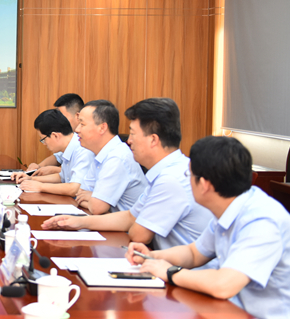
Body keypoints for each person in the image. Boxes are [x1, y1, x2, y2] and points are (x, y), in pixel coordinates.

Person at [127, 136, 290, 319]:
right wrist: (152, 257)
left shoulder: (262, 221)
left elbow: (224, 285)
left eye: (189, 174)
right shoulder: (228, 207)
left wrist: (170, 272)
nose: (187, 180)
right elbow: (194, 253)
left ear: (204, 184)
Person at [43, 98, 214, 251]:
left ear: (153, 140)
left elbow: (138, 234)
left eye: (132, 134)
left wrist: (129, 222)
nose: (129, 141)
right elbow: (130, 216)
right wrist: (76, 222)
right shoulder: (166, 172)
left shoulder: (171, 179)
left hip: (184, 270)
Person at [74, 99, 147, 214]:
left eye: (82, 124)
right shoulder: (100, 154)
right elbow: (79, 195)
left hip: (127, 225)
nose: (77, 129)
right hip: (110, 220)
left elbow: (97, 208)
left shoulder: (117, 157)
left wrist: (94, 199)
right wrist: (93, 199)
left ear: (102, 128)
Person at [17, 109, 95, 197]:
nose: (44, 144)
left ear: (55, 135)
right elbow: (61, 177)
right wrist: (31, 178)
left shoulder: (83, 150)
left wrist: (41, 186)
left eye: (43, 139)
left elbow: (75, 189)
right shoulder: (68, 148)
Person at [13, 93, 84, 182]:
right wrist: (37, 169)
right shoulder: (68, 143)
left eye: (62, 116)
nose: (59, 119)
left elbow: (75, 186)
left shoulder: (83, 145)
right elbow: (59, 166)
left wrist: (40, 185)